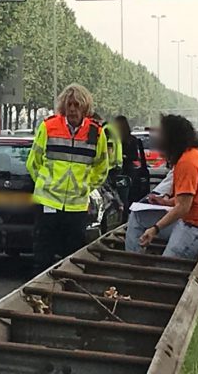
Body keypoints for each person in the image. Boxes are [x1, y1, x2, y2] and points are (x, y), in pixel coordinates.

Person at [26, 84, 109, 272]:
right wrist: (46, 184)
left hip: (76, 205)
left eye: (77, 105)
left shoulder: (96, 133)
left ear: (84, 107)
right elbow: (34, 162)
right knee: (42, 256)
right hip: (48, 202)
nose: (72, 109)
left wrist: (85, 186)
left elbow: (101, 167)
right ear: (63, 106)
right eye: (69, 104)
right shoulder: (49, 127)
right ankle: (40, 296)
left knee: (72, 258)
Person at [138, 115, 198, 259]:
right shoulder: (194, 156)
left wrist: (155, 229)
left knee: (166, 271)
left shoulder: (187, 163)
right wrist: (166, 202)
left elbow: (183, 207)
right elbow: (189, 198)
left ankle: (133, 262)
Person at [124, 168, 176, 252]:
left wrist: (155, 228)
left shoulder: (185, 163)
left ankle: (132, 256)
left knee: (137, 215)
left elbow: (184, 204)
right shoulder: (191, 161)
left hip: (189, 224)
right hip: (190, 220)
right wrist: (165, 199)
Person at [114, 116, 150, 206]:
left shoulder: (129, 140)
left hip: (125, 170)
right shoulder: (120, 139)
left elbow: (134, 156)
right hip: (126, 170)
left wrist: (123, 157)